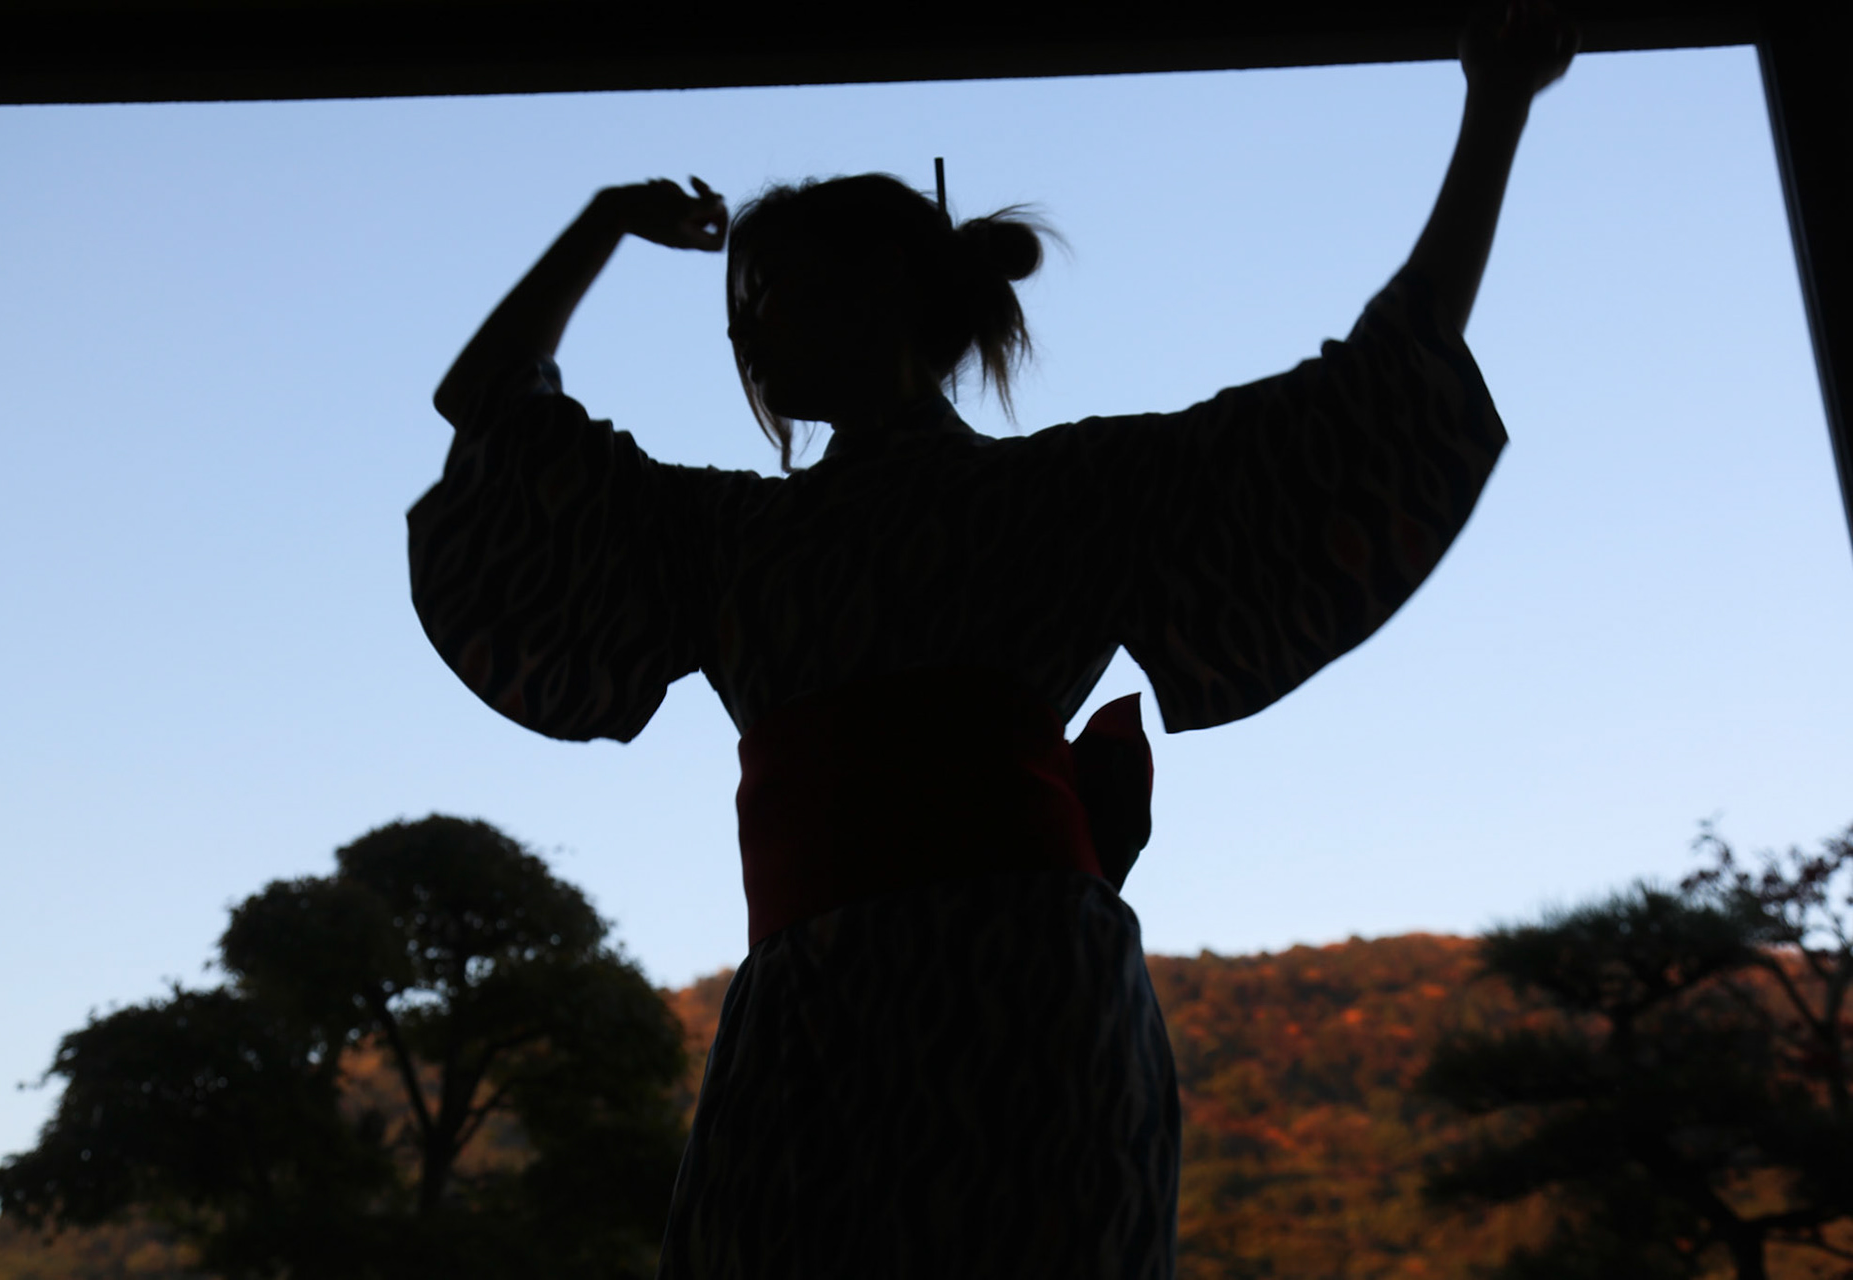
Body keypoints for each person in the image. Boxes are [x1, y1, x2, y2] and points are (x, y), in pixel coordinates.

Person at [407, 2, 1577, 1275]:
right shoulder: (828, 521)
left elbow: (1373, 384)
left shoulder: (807, 526)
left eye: (772, 287)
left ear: (878, 293)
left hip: (934, 996)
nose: (745, 326)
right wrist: (603, 218)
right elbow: (489, 409)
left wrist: (1497, 106)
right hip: (956, 988)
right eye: (740, 302)